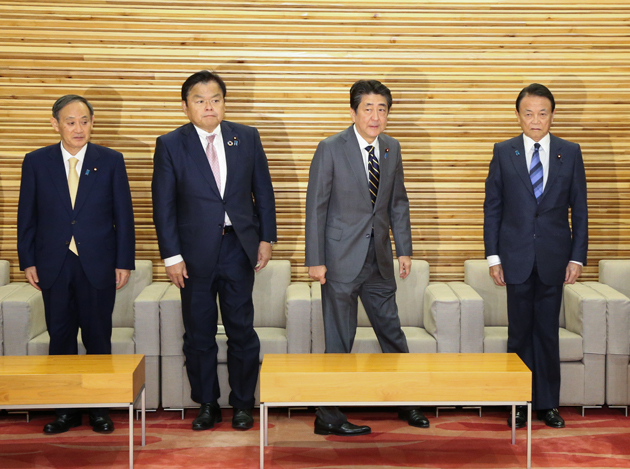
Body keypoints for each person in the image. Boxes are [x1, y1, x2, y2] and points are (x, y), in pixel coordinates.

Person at [152, 70, 277, 431]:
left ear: (224, 103)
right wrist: (172, 256)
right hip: (192, 256)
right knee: (199, 333)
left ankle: (242, 403)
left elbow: (263, 191)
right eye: (200, 100)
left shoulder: (246, 137)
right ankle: (207, 403)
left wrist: (266, 238)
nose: (209, 106)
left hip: (238, 247)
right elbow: (163, 206)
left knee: (241, 329)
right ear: (185, 106)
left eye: (215, 99)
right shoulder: (170, 144)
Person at [305, 79, 430, 436]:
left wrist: (404, 249)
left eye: (382, 109)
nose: (375, 116)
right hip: (339, 260)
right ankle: (328, 416)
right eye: (368, 109)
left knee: (392, 333)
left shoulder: (391, 148)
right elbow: (316, 206)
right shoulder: (331, 148)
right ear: (353, 112)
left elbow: (398, 202)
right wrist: (315, 259)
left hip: (379, 260)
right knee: (338, 340)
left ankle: (406, 401)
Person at [17, 94, 136, 434]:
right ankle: (65, 410)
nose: (78, 128)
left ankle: (99, 409)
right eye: (70, 122)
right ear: (55, 124)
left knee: (98, 336)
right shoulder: (36, 161)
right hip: (53, 262)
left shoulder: (110, 160)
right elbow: (27, 215)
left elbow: (123, 216)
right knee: (60, 336)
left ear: (92, 123)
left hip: (98, 262)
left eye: (84, 121)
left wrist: (123, 261)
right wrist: (28, 260)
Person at [484, 83, 588, 429]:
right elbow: (492, 208)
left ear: (552, 115)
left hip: (554, 258)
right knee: (518, 334)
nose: (535, 120)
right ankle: (518, 402)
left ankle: (547, 404)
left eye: (542, 113)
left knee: (547, 333)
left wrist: (577, 257)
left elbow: (580, 210)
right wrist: (493, 257)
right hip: (514, 257)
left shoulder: (569, 152)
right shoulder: (504, 151)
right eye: (528, 113)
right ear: (518, 115)